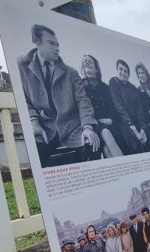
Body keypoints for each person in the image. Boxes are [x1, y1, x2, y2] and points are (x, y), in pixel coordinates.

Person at [17, 24, 100, 167]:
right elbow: (23, 101)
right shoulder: (22, 68)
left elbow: (83, 101)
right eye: (51, 43)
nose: (57, 48)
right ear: (37, 42)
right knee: (36, 159)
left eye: (58, 44)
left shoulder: (71, 72)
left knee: (93, 144)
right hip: (43, 129)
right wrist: (34, 122)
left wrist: (87, 127)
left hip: (72, 128)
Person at [80, 54, 124, 157]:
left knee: (108, 151)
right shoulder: (80, 87)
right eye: (84, 62)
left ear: (96, 69)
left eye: (89, 61)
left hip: (111, 124)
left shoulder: (106, 88)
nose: (86, 63)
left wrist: (111, 120)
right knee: (105, 132)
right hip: (92, 126)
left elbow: (115, 107)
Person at [109, 59, 149, 154]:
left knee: (145, 142)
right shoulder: (113, 82)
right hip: (123, 121)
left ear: (129, 74)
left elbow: (139, 109)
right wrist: (132, 126)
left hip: (136, 122)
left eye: (125, 71)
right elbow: (119, 106)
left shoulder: (133, 87)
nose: (123, 72)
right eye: (120, 69)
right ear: (117, 70)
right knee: (133, 145)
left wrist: (143, 128)